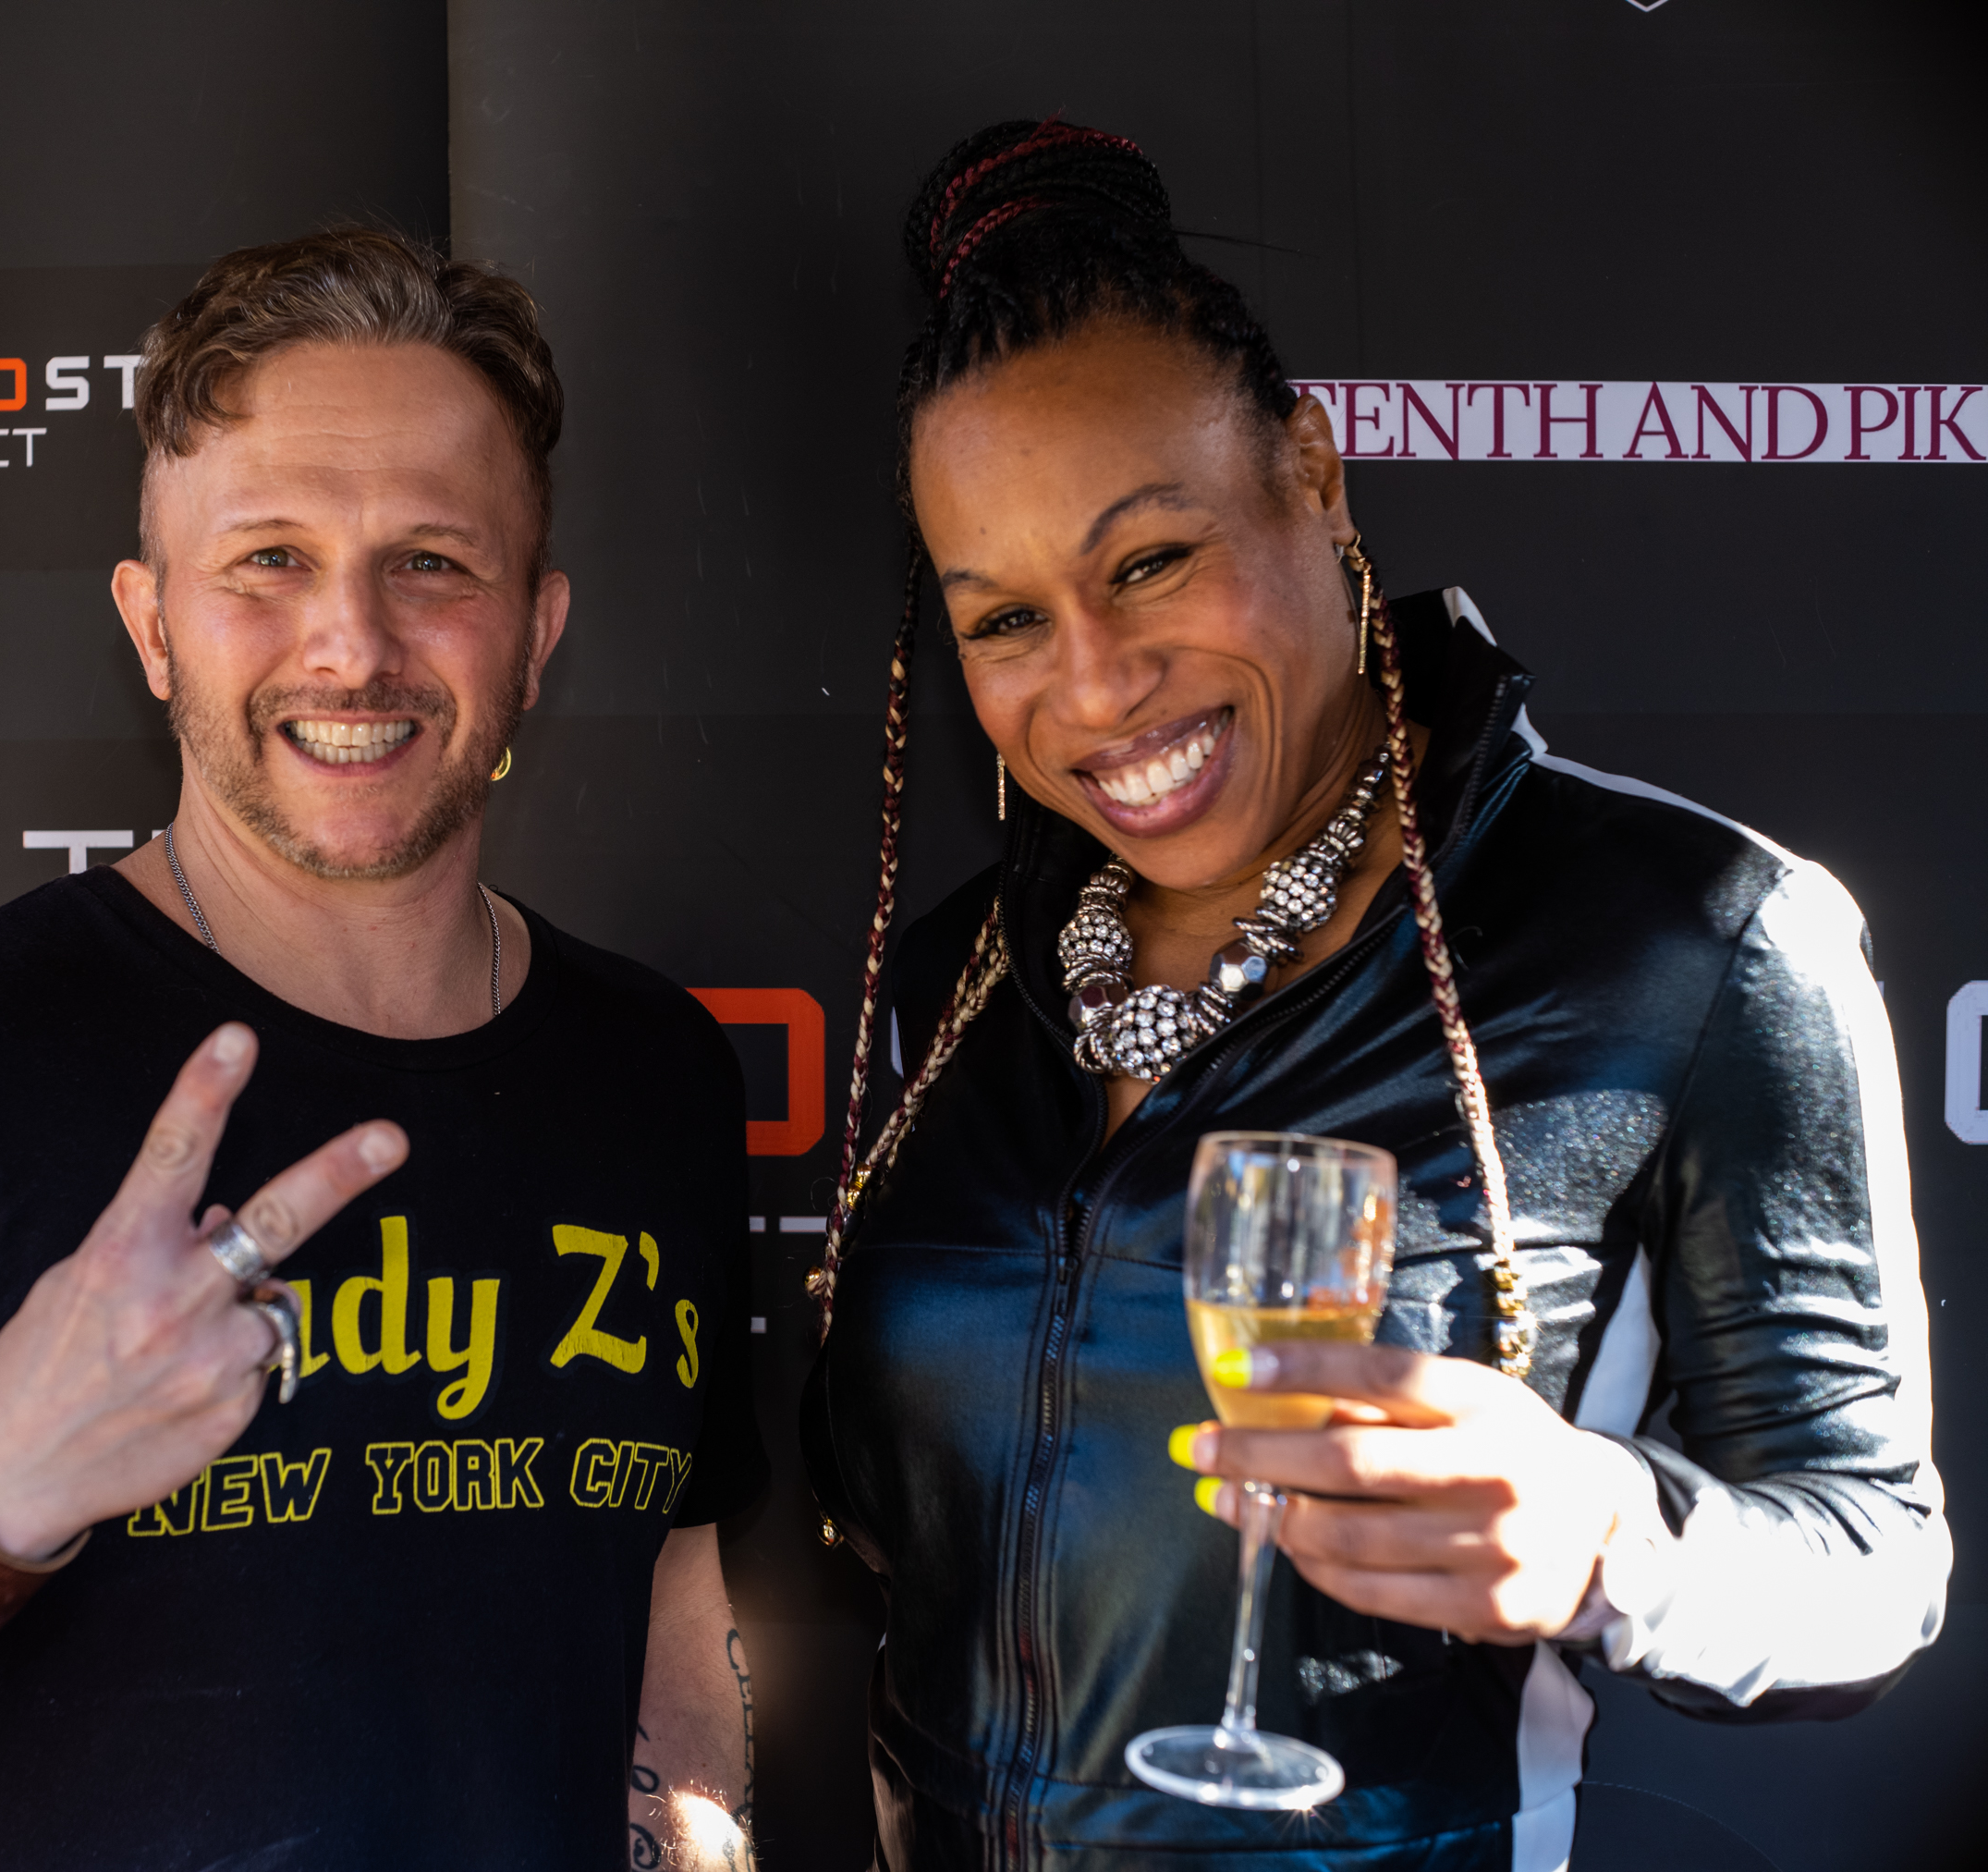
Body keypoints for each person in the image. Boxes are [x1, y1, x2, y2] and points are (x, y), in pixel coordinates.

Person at [799, 120, 1945, 1870]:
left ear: (1316, 475)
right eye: (1004, 619)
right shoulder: (955, 974)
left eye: (1150, 561)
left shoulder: (1692, 938)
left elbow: (1871, 1561)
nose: (1096, 686)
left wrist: (1609, 1541)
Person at [0, 228, 766, 1872]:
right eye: (268, 559)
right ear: (151, 626)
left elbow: (673, 1590)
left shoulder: (657, 1069)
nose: (351, 643)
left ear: (537, 628)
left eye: (433, 561)